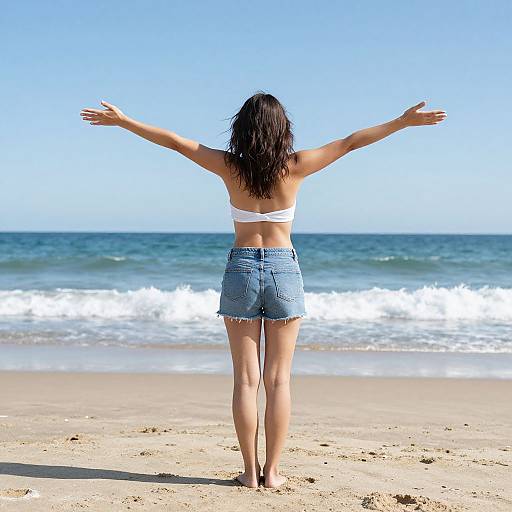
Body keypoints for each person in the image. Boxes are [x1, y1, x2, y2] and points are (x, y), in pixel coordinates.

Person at [80, 93, 446, 488]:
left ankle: (250, 474)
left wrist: (126, 121)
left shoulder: (229, 167)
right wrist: (401, 122)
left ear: (242, 128)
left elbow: (175, 141)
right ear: (282, 130)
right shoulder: (296, 166)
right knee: (279, 380)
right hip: (283, 268)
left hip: (241, 267)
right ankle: (273, 472)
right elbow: (350, 142)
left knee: (245, 380)